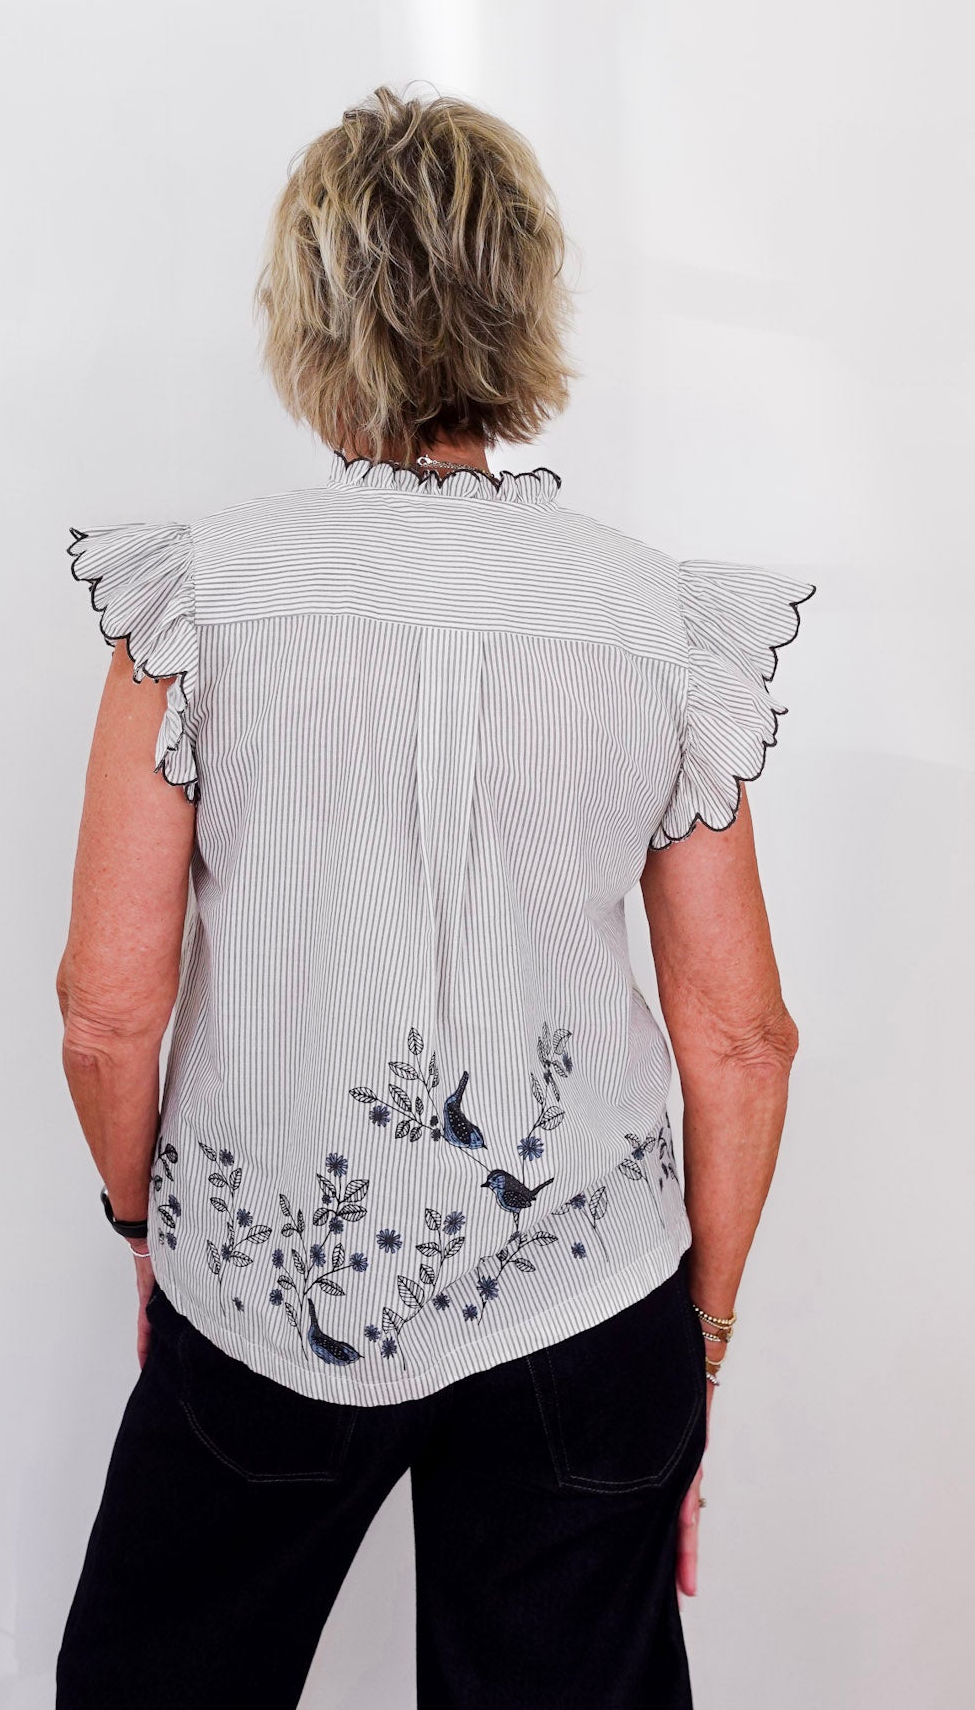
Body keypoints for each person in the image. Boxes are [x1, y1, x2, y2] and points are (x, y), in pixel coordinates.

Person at [53, 86, 813, 1709]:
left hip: (265, 1291)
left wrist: (145, 1229)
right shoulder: (658, 623)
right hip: (587, 1302)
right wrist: (703, 1340)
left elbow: (108, 1014)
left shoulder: (202, 601)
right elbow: (741, 1038)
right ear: (524, 301)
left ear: (310, 313)